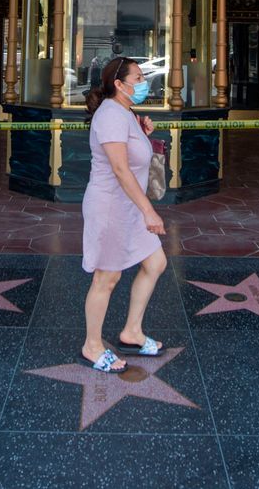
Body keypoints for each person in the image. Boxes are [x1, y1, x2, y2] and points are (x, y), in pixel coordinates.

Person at [80, 56, 168, 373]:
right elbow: (119, 169)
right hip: (110, 207)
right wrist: (149, 211)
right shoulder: (110, 115)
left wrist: (142, 134)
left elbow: (130, 158)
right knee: (107, 277)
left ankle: (131, 331)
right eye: (138, 78)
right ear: (119, 84)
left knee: (155, 262)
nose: (143, 83)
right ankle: (92, 345)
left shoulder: (125, 112)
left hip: (128, 206)